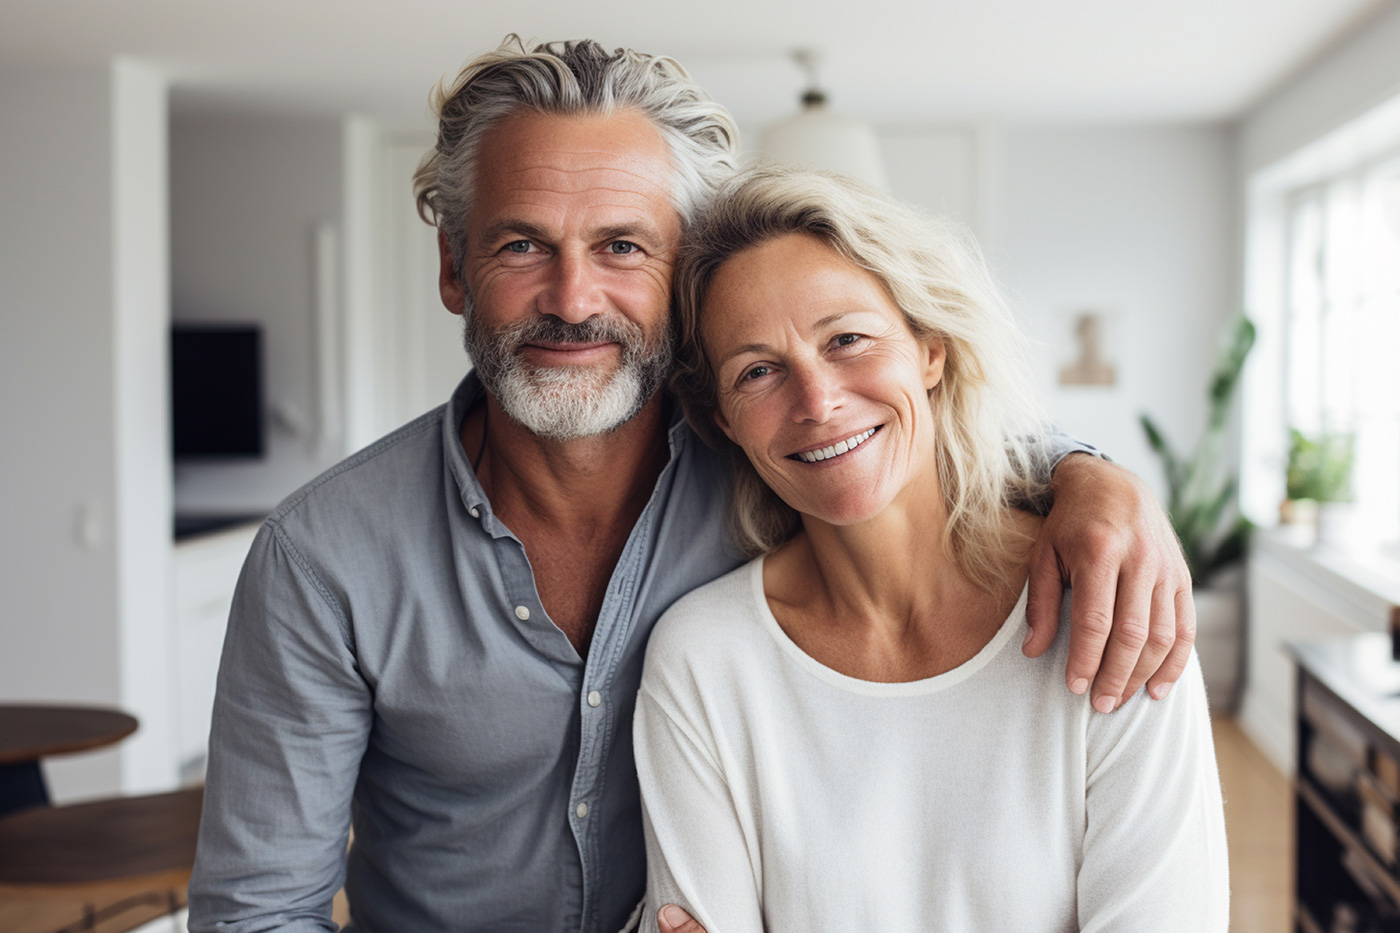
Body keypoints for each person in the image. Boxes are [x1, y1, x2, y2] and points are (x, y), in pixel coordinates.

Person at [188, 37, 1198, 933]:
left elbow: (892, 427)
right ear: (454, 268)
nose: (572, 299)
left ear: (679, 278)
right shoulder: (322, 559)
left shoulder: (762, 446)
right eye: (520, 245)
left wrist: (1092, 478)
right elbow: (257, 911)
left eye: (620, 246)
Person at [635, 166, 1228, 932]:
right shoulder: (703, 660)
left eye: (847, 338)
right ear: (722, 419)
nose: (816, 402)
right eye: (758, 371)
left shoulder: (1112, 607)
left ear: (931, 350)